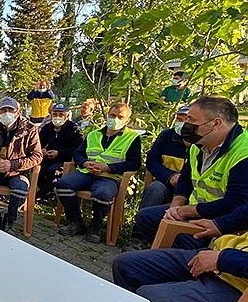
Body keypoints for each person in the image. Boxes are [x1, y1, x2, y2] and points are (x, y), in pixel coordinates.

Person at [113, 201, 248, 302]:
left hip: (239, 290)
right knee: (127, 266)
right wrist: (219, 224)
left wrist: (222, 260)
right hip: (222, 259)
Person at [131, 96, 248, 249]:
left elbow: (236, 202)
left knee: (183, 239)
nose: (186, 125)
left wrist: (189, 212)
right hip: (194, 210)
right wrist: (175, 207)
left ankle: (187, 258)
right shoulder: (199, 143)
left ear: (216, 123)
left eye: (191, 120)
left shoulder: (243, 152)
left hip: (222, 221)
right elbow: (185, 180)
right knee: (146, 217)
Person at [55, 103, 141, 243]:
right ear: (107, 115)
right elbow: (78, 153)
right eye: (112, 115)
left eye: (120, 117)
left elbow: (134, 163)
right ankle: (76, 222)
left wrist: (108, 167)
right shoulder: (93, 134)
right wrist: (84, 163)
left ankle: (95, 227)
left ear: (127, 121)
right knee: (62, 184)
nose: (115, 119)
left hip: (110, 177)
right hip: (86, 172)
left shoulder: (132, 138)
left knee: (102, 194)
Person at [0, 97, 43, 233]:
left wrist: (12, 165)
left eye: (10, 110)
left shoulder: (29, 129)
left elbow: (37, 156)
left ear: (18, 112)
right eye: (3, 110)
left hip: (17, 171)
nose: (7, 113)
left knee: (21, 189)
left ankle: (10, 219)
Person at [139, 105, 190, 209]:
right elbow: (152, 161)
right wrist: (170, 176)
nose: (182, 124)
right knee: (155, 189)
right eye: (179, 119)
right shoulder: (166, 136)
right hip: (166, 182)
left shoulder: (202, 141)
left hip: (192, 187)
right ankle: (142, 222)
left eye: (186, 120)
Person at [37, 103, 83, 201]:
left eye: (61, 115)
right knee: (38, 169)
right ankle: (46, 193)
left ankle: (41, 195)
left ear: (66, 116)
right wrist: (42, 150)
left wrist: (59, 153)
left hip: (65, 159)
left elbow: (77, 148)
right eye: (55, 114)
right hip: (48, 157)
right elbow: (38, 142)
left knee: (53, 171)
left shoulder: (74, 129)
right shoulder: (47, 128)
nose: (57, 117)